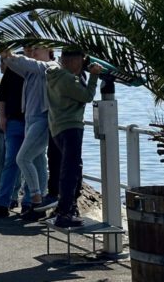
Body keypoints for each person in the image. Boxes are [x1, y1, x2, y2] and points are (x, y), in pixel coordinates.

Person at [47, 48, 103, 228]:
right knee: (71, 171)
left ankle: (69, 208)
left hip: (56, 127)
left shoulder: (54, 75)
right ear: (74, 61)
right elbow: (86, 96)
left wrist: (84, 73)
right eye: (82, 61)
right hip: (70, 127)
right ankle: (64, 213)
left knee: (73, 169)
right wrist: (94, 75)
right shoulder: (68, 79)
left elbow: (78, 87)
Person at [3, 45, 59, 221]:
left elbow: (30, 64)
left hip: (42, 119)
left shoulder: (51, 67)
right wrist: (6, 56)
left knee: (22, 158)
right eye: (32, 50)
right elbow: (15, 65)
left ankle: (36, 198)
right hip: (29, 119)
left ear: (49, 49)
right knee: (37, 161)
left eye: (37, 49)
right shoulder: (32, 71)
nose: (33, 53)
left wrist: (12, 55)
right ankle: (39, 200)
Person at [0, 55, 28, 218]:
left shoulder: (36, 69)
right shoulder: (13, 71)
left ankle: (27, 201)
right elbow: (2, 95)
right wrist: (3, 117)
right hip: (14, 120)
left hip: (30, 121)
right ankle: (5, 201)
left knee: (30, 162)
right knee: (10, 161)